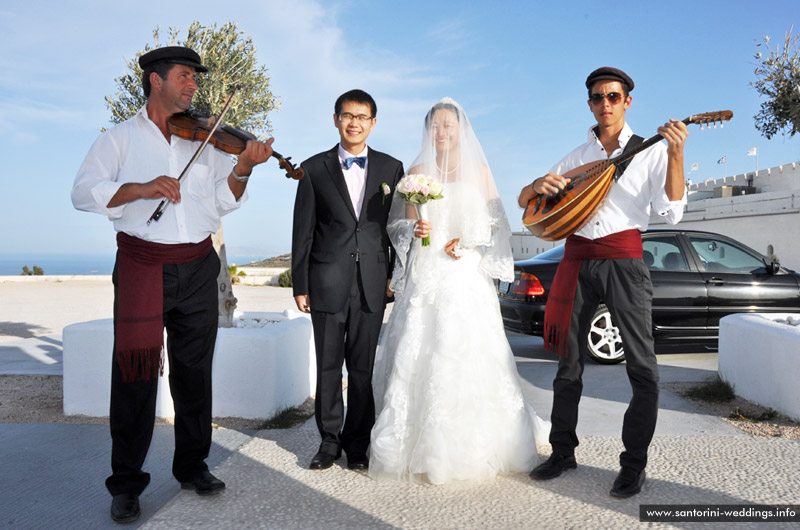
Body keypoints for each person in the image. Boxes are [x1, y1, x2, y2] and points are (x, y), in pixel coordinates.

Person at [71, 46, 273, 523]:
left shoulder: (203, 137)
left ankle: (193, 466)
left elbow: (225, 199)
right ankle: (126, 484)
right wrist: (142, 188)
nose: (193, 86)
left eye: (194, 79)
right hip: (144, 265)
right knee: (135, 377)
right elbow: (83, 193)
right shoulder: (118, 139)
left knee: (194, 373)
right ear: (155, 81)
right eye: (185, 77)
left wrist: (244, 166)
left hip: (200, 265)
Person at [519, 67, 689, 498]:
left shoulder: (650, 150)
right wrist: (537, 184)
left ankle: (633, 466)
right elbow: (526, 200)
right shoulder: (577, 157)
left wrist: (675, 155)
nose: (606, 103)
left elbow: (672, 213)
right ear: (590, 103)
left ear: (627, 101)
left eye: (614, 96)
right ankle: (562, 453)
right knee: (568, 365)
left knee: (641, 367)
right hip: (575, 260)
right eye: (598, 97)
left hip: (623, 262)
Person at [369, 98, 550, 485]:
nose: (442, 132)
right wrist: (412, 231)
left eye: (449, 125)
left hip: (463, 272)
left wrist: (467, 242)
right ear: (428, 131)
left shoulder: (480, 171)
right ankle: (412, 443)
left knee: (467, 350)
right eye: (436, 126)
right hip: (427, 271)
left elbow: (496, 222)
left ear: (461, 129)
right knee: (419, 349)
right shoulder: (415, 172)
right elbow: (396, 226)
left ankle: (477, 442)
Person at [291, 89, 404, 471]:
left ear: (374, 122)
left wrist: (394, 275)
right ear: (336, 119)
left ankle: (358, 444)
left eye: (362, 116)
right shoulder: (313, 168)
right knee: (326, 365)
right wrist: (300, 284)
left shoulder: (392, 168)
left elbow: (395, 229)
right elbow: (302, 231)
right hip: (325, 280)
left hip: (373, 282)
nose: (354, 122)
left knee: (362, 367)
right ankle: (327, 442)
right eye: (347, 115)